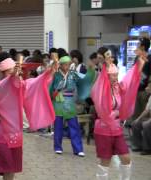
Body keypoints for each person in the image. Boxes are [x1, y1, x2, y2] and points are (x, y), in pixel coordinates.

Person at [91, 48, 146, 180]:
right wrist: (106, 63)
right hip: (103, 129)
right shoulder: (100, 89)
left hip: (116, 128)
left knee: (126, 158)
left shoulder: (118, 88)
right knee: (105, 162)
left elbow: (130, 81)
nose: (116, 78)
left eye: (117, 75)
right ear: (106, 76)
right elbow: (102, 81)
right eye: (113, 75)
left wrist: (139, 65)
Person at [50, 55, 96, 157]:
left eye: (68, 64)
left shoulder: (73, 74)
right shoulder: (56, 75)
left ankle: (78, 148)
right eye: (65, 64)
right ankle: (57, 147)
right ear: (60, 66)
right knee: (58, 125)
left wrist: (90, 71)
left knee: (74, 125)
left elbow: (84, 79)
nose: (67, 66)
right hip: (58, 101)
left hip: (70, 101)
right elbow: (50, 88)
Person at [131, 83, 151, 155]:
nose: (146, 88)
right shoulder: (150, 97)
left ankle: (147, 148)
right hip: (149, 118)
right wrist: (138, 119)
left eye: (148, 87)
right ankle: (138, 145)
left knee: (146, 125)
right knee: (135, 124)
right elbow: (147, 110)